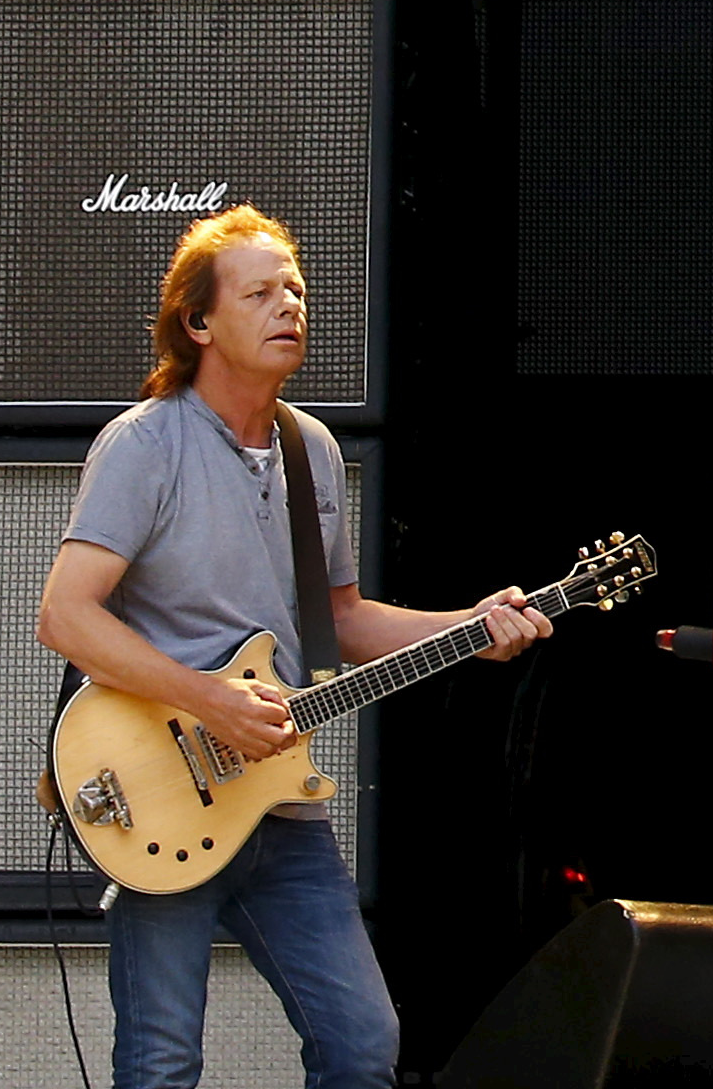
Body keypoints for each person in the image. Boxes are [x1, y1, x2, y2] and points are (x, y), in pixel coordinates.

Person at [38, 207, 552, 1089]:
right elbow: (65, 617)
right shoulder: (144, 443)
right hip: (162, 800)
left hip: (282, 808)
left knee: (362, 1046)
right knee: (161, 1064)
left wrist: (470, 629)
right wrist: (210, 700)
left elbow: (339, 622)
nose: (290, 307)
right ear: (199, 323)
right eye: (261, 293)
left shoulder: (309, 449)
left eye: (297, 291)